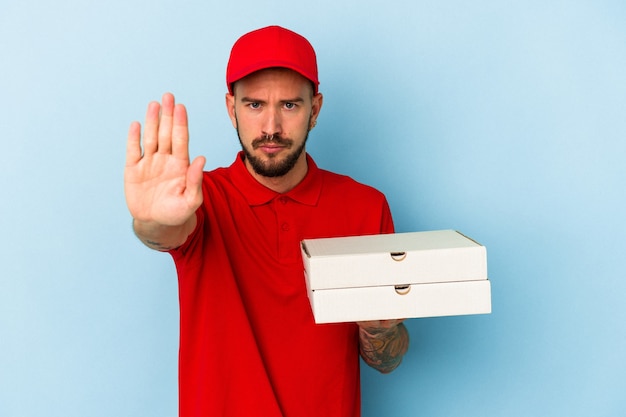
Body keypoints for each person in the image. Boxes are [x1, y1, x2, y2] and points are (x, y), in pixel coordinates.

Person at [124, 25, 409, 417]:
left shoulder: (365, 206)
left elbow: (386, 359)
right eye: (254, 105)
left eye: (289, 105)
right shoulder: (198, 199)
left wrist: (380, 329)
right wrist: (150, 220)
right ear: (231, 108)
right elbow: (165, 232)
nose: (271, 127)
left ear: (315, 109)